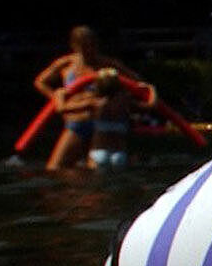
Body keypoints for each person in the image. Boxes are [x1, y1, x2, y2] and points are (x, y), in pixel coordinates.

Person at [30, 25, 143, 170]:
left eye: (92, 45)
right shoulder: (67, 63)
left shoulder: (108, 64)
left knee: (99, 167)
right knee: (55, 168)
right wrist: (58, 98)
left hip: (103, 123)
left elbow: (137, 83)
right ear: (75, 46)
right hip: (77, 120)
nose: (90, 50)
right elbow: (40, 82)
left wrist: (118, 99)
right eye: (85, 46)